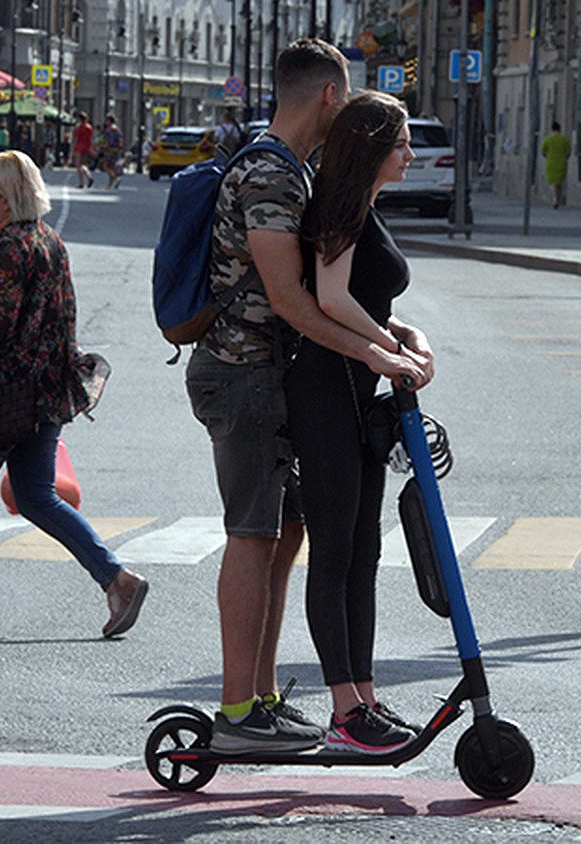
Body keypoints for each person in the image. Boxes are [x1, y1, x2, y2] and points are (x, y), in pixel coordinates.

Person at [185, 39, 421, 755]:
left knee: (285, 538)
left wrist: (391, 340)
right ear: (328, 96)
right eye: (345, 98)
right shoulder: (270, 175)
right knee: (255, 538)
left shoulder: (293, 172)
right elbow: (296, 298)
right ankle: (236, 713)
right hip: (245, 369)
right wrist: (380, 352)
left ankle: (259, 699)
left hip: (273, 375)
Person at [0, 150, 149, 638]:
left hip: (0, 399)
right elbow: (65, 319)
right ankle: (117, 579)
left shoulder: (8, 248)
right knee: (38, 497)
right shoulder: (50, 241)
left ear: (4, 196)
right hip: (45, 394)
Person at [286, 92, 434, 755]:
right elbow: (331, 296)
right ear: (372, 147)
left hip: (357, 390)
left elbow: (369, 296)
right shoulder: (341, 204)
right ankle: (344, 709)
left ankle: (366, 698)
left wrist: (409, 337)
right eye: (401, 142)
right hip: (325, 391)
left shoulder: (364, 206)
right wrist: (390, 350)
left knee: (364, 555)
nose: (410, 153)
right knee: (337, 554)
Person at [541, 121, 571, 207]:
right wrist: (564, 157)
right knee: (559, 182)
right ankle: (559, 198)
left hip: (550, 162)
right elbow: (569, 151)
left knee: (552, 182)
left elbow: (543, 151)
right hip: (561, 162)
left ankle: (554, 198)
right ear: (560, 129)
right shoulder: (564, 139)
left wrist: (548, 156)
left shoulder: (548, 139)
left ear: (552, 129)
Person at [100, 113, 124, 189]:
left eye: (107, 120)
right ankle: (109, 185)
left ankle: (115, 177)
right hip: (116, 150)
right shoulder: (118, 130)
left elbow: (104, 139)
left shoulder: (108, 130)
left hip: (109, 149)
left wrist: (102, 146)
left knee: (106, 166)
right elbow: (120, 140)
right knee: (111, 166)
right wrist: (119, 148)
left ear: (109, 121)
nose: (106, 122)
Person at [72, 111, 95, 188]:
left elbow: (75, 139)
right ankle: (89, 176)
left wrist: (72, 149)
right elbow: (91, 138)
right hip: (87, 147)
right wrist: (92, 148)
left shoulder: (79, 128)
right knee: (84, 164)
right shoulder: (89, 127)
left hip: (79, 147)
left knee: (79, 165)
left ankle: (81, 183)